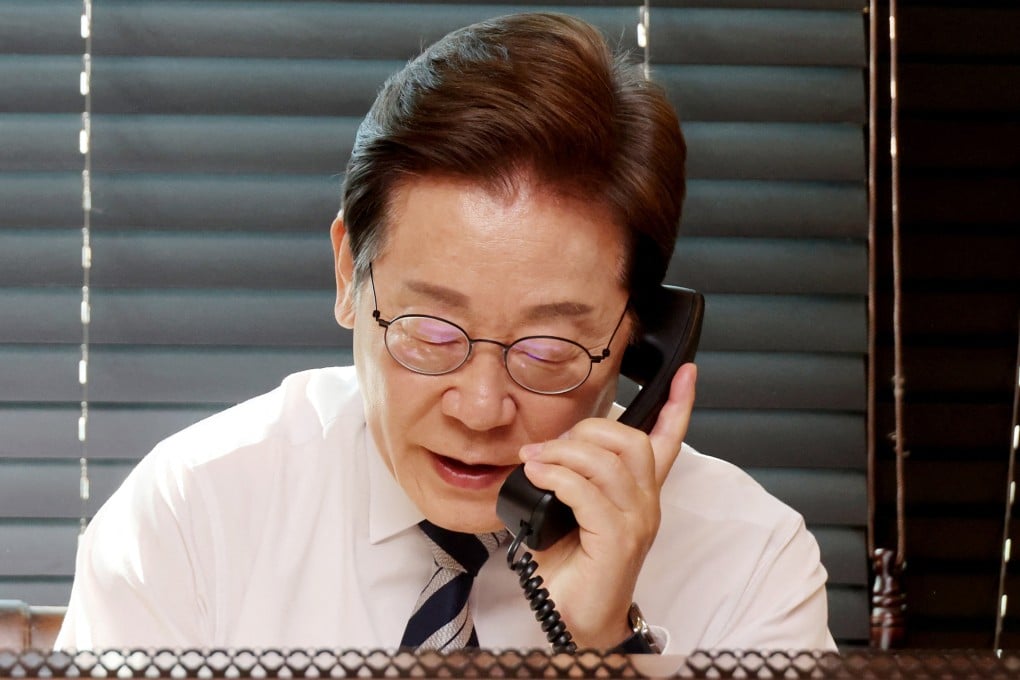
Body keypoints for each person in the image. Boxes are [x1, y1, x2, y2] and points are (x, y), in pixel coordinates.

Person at [55, 12, 835, 653]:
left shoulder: (752, 562)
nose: (481, 408)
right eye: (432, 331)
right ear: (348, 276)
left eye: (548, 350)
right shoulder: (192, 515)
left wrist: (598, 650)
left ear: (640, 336)